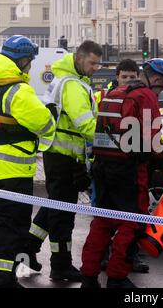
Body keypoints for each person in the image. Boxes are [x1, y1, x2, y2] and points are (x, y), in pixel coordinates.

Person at [80, 58, 163, 288]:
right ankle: (117, 277)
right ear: (157, 79)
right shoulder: (145, 96)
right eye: (162, 86)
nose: (160, 92)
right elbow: (153, 139)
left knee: (102, 222)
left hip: (102, 168)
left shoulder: (115, 92)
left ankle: (89, 277)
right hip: (129, 170)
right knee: (132, 223)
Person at [0, 35, 56, 288]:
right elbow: (44, 123)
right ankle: (4, 281)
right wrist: (50, 114)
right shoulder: (18, 90)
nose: (30, 65)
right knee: (12, 227)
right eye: (29, 61)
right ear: (21, 61)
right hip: (12, 168)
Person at [26, 40, 102, 282]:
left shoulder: (69, 80)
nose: (95, 68)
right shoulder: (72, 85)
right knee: (63, 215)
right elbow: (85, 124)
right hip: (63, 157)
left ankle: (27, 246)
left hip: (59, 155)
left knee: (56, 204)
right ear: (79, 59)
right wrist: (108, 142)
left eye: (98, 64)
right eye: (92, 63)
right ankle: (60, 265)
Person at [96, 58, 150, 274]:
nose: (128, 80)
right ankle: (107, 257)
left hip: (125, 163)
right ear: (116, 77)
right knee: (110, 217)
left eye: (132, 77)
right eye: (124, 77)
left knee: (127, 217)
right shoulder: (103, 96)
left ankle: (130, 256)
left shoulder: (136, 97)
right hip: (107, 166)